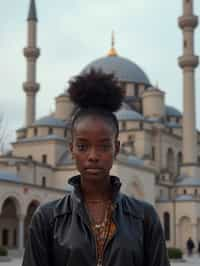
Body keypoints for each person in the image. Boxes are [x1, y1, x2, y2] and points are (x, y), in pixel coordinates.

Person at [22, 70, 170, 266]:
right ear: (71, 149)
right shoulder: (49, 218)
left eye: (103, 146)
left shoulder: (144, 217)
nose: (93, 156)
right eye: (82, 146)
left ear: (116, 148)